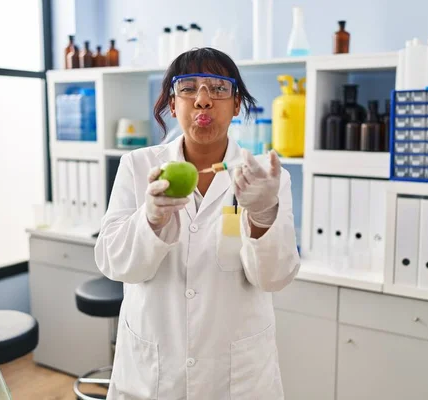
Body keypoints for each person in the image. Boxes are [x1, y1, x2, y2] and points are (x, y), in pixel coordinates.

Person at [94, 47, 301, 400]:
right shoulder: (138, 166)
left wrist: (264, 216)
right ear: (173, 104)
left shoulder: (264, 177)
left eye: (218, 89)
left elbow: (275, 277)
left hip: (237, 377)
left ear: (236, 104)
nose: (203, 100)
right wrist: (151, 220)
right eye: (188, 88)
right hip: (154, 373)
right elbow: (112, 261)